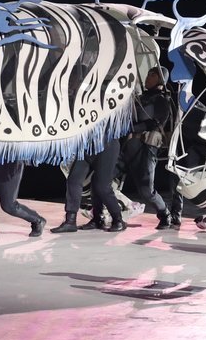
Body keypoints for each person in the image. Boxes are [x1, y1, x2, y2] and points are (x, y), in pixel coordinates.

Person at [124, 65, 174, 229]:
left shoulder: (161, 100)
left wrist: (134, 128)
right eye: (148, 74)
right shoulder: (139, 97)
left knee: (146, 189)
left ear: (160, 79)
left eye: (152, 75)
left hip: (147, 146)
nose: (147, 78)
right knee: (109, 180)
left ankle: (164, 213)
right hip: (130, 144)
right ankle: (110, 212)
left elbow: (157, 122)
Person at [52, 138, 127, 233]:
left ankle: (118, 220)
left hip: (106, 145)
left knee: (101, 186)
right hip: (86, 146)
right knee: (73, 180)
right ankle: (70, 221)